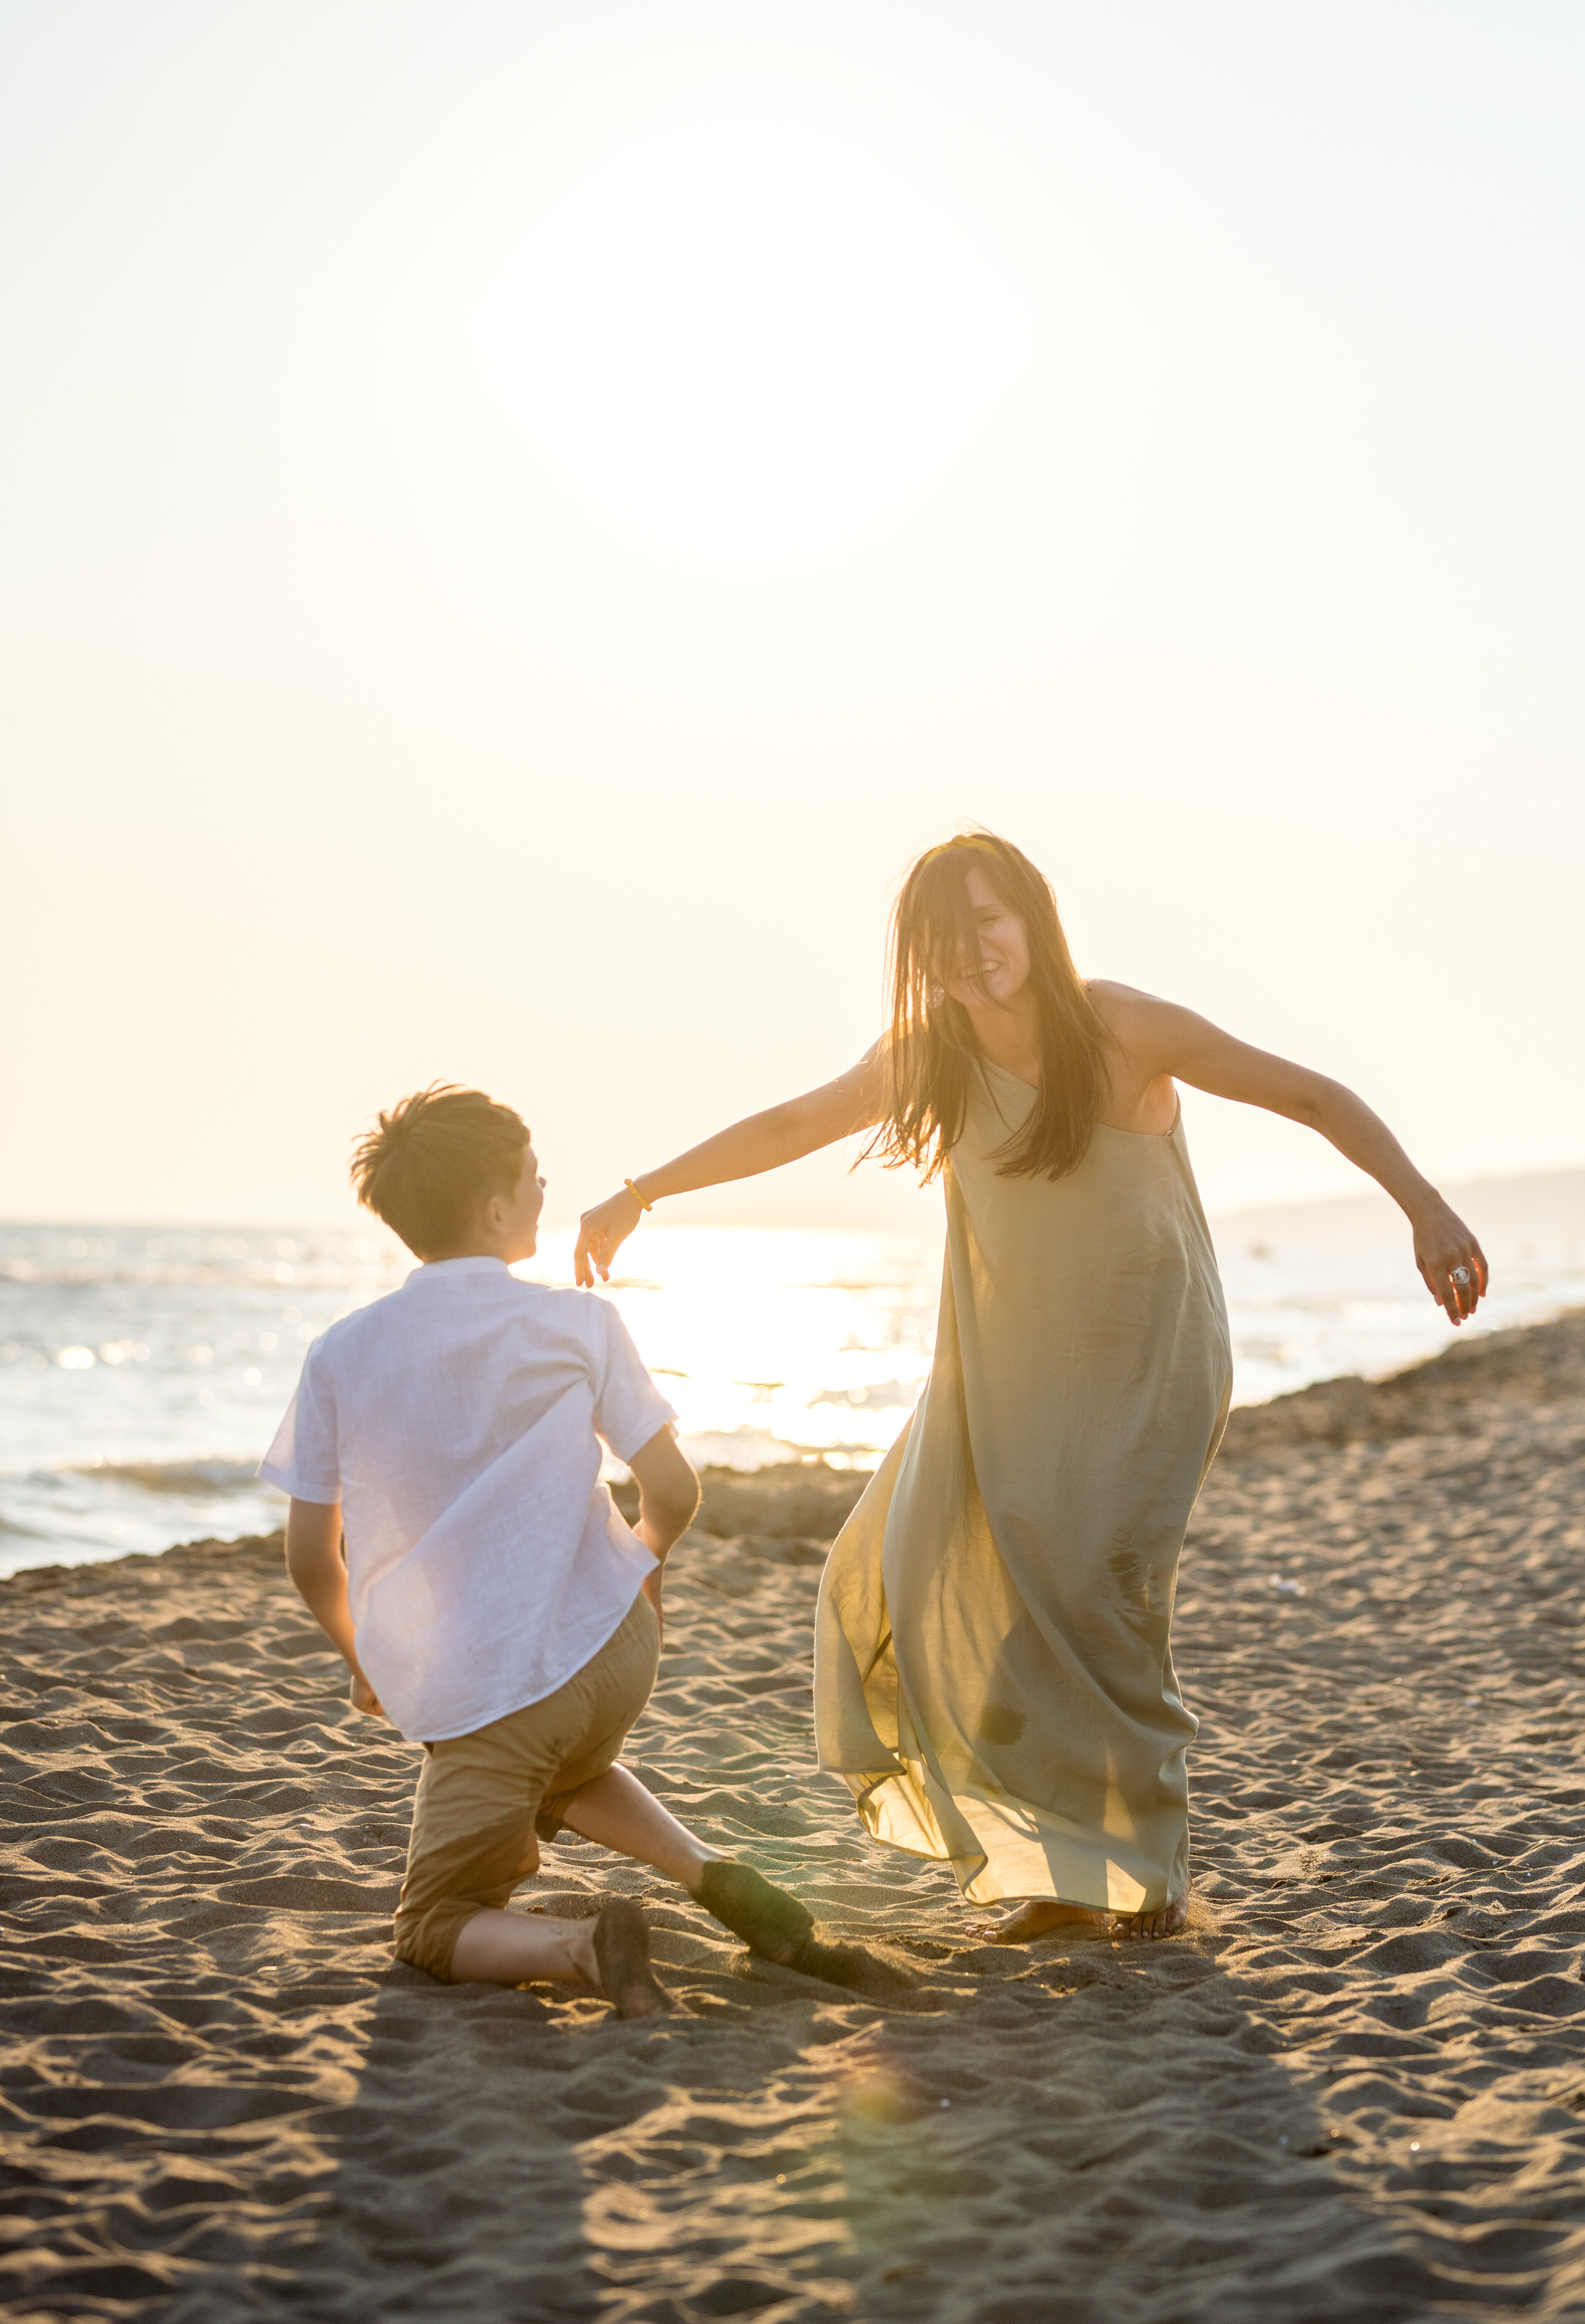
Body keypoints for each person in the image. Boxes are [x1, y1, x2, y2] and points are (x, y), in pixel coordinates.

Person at [574, 831, 1488, 1944]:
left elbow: (1306, 1095)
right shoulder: (930, 1056)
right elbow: (791, 1125)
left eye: (988, 925)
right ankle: (1070, 1871)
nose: (972, 956)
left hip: (1152, 1361)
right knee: (920, 1584)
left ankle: (1142, 1872)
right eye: (945, 941)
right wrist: (640, 1194)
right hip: (1008, 1378)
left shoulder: (1119, 1024)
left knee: (1101, 1601)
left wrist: (1423, 1205)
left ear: (1032, 921)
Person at [261, 1083, 816, 2017]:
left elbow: (314, 1557)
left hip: (505, 1694)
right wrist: (645, 1568)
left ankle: (585, 1948)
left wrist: (366, 1660)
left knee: (433, 1925)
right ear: (494, 1209)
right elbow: (675, 1491)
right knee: (562, 1762)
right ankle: (714, 1876)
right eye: (532, 1175)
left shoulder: (343, 1354)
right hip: (616, 1651)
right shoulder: (581, 1321)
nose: (545, 1183)